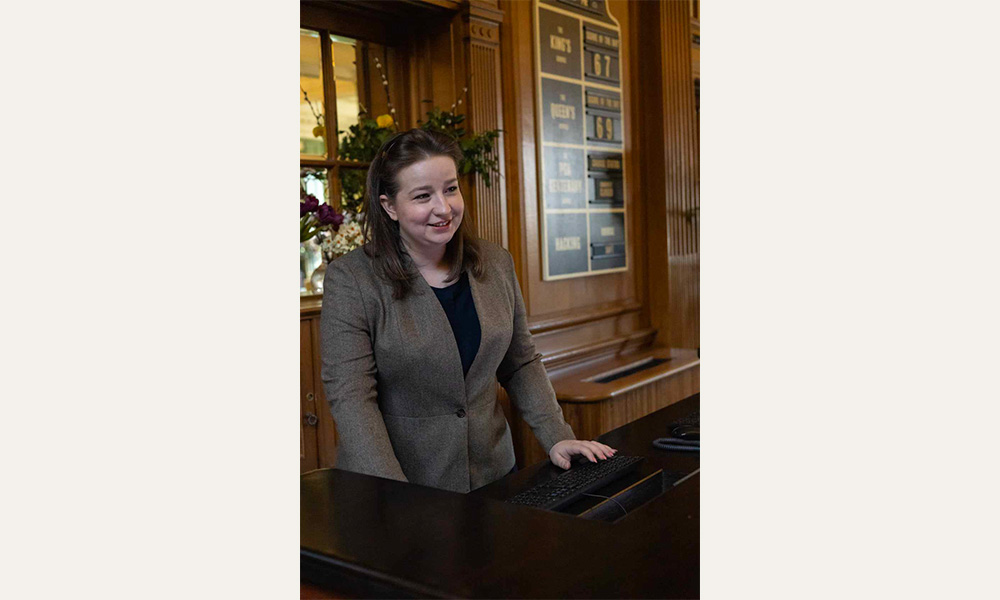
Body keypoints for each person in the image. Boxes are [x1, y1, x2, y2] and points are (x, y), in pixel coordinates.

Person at [320, 128, 616, 493]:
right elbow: (352, 399)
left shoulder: (496, 262)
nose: (443, 208)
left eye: (450, 189)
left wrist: (558, 436)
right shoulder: (352, 279)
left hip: (494, 475)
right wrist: (398, 497)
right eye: (423, 196)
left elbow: (520, 363)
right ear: (389, 206)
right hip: (402, 488)